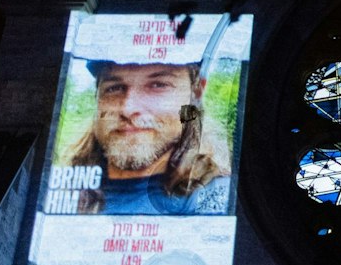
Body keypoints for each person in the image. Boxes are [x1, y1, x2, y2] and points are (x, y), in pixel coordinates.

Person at [66, 59, 231, 215]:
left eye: (158, 85)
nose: (128, 109)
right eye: (114, 88)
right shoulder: (60, 191)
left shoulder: (221, 197)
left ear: (195, 95)